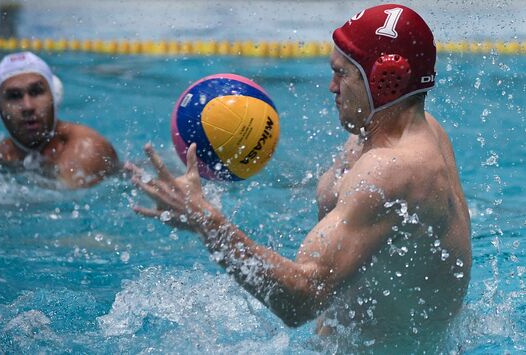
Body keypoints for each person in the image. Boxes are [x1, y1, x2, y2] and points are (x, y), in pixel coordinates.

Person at [126, 3, 471, 343]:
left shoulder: (394, 170)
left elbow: (302, 301)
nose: (331, 87)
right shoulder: (400, 132)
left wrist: (206, 220)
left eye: (342, 73)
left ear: (385, 81)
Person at [0, 51, 119, 188]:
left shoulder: (85, 148)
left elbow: (67, 203)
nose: (28, 106)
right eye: (14, 96)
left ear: (55, 95)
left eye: (36, 92)